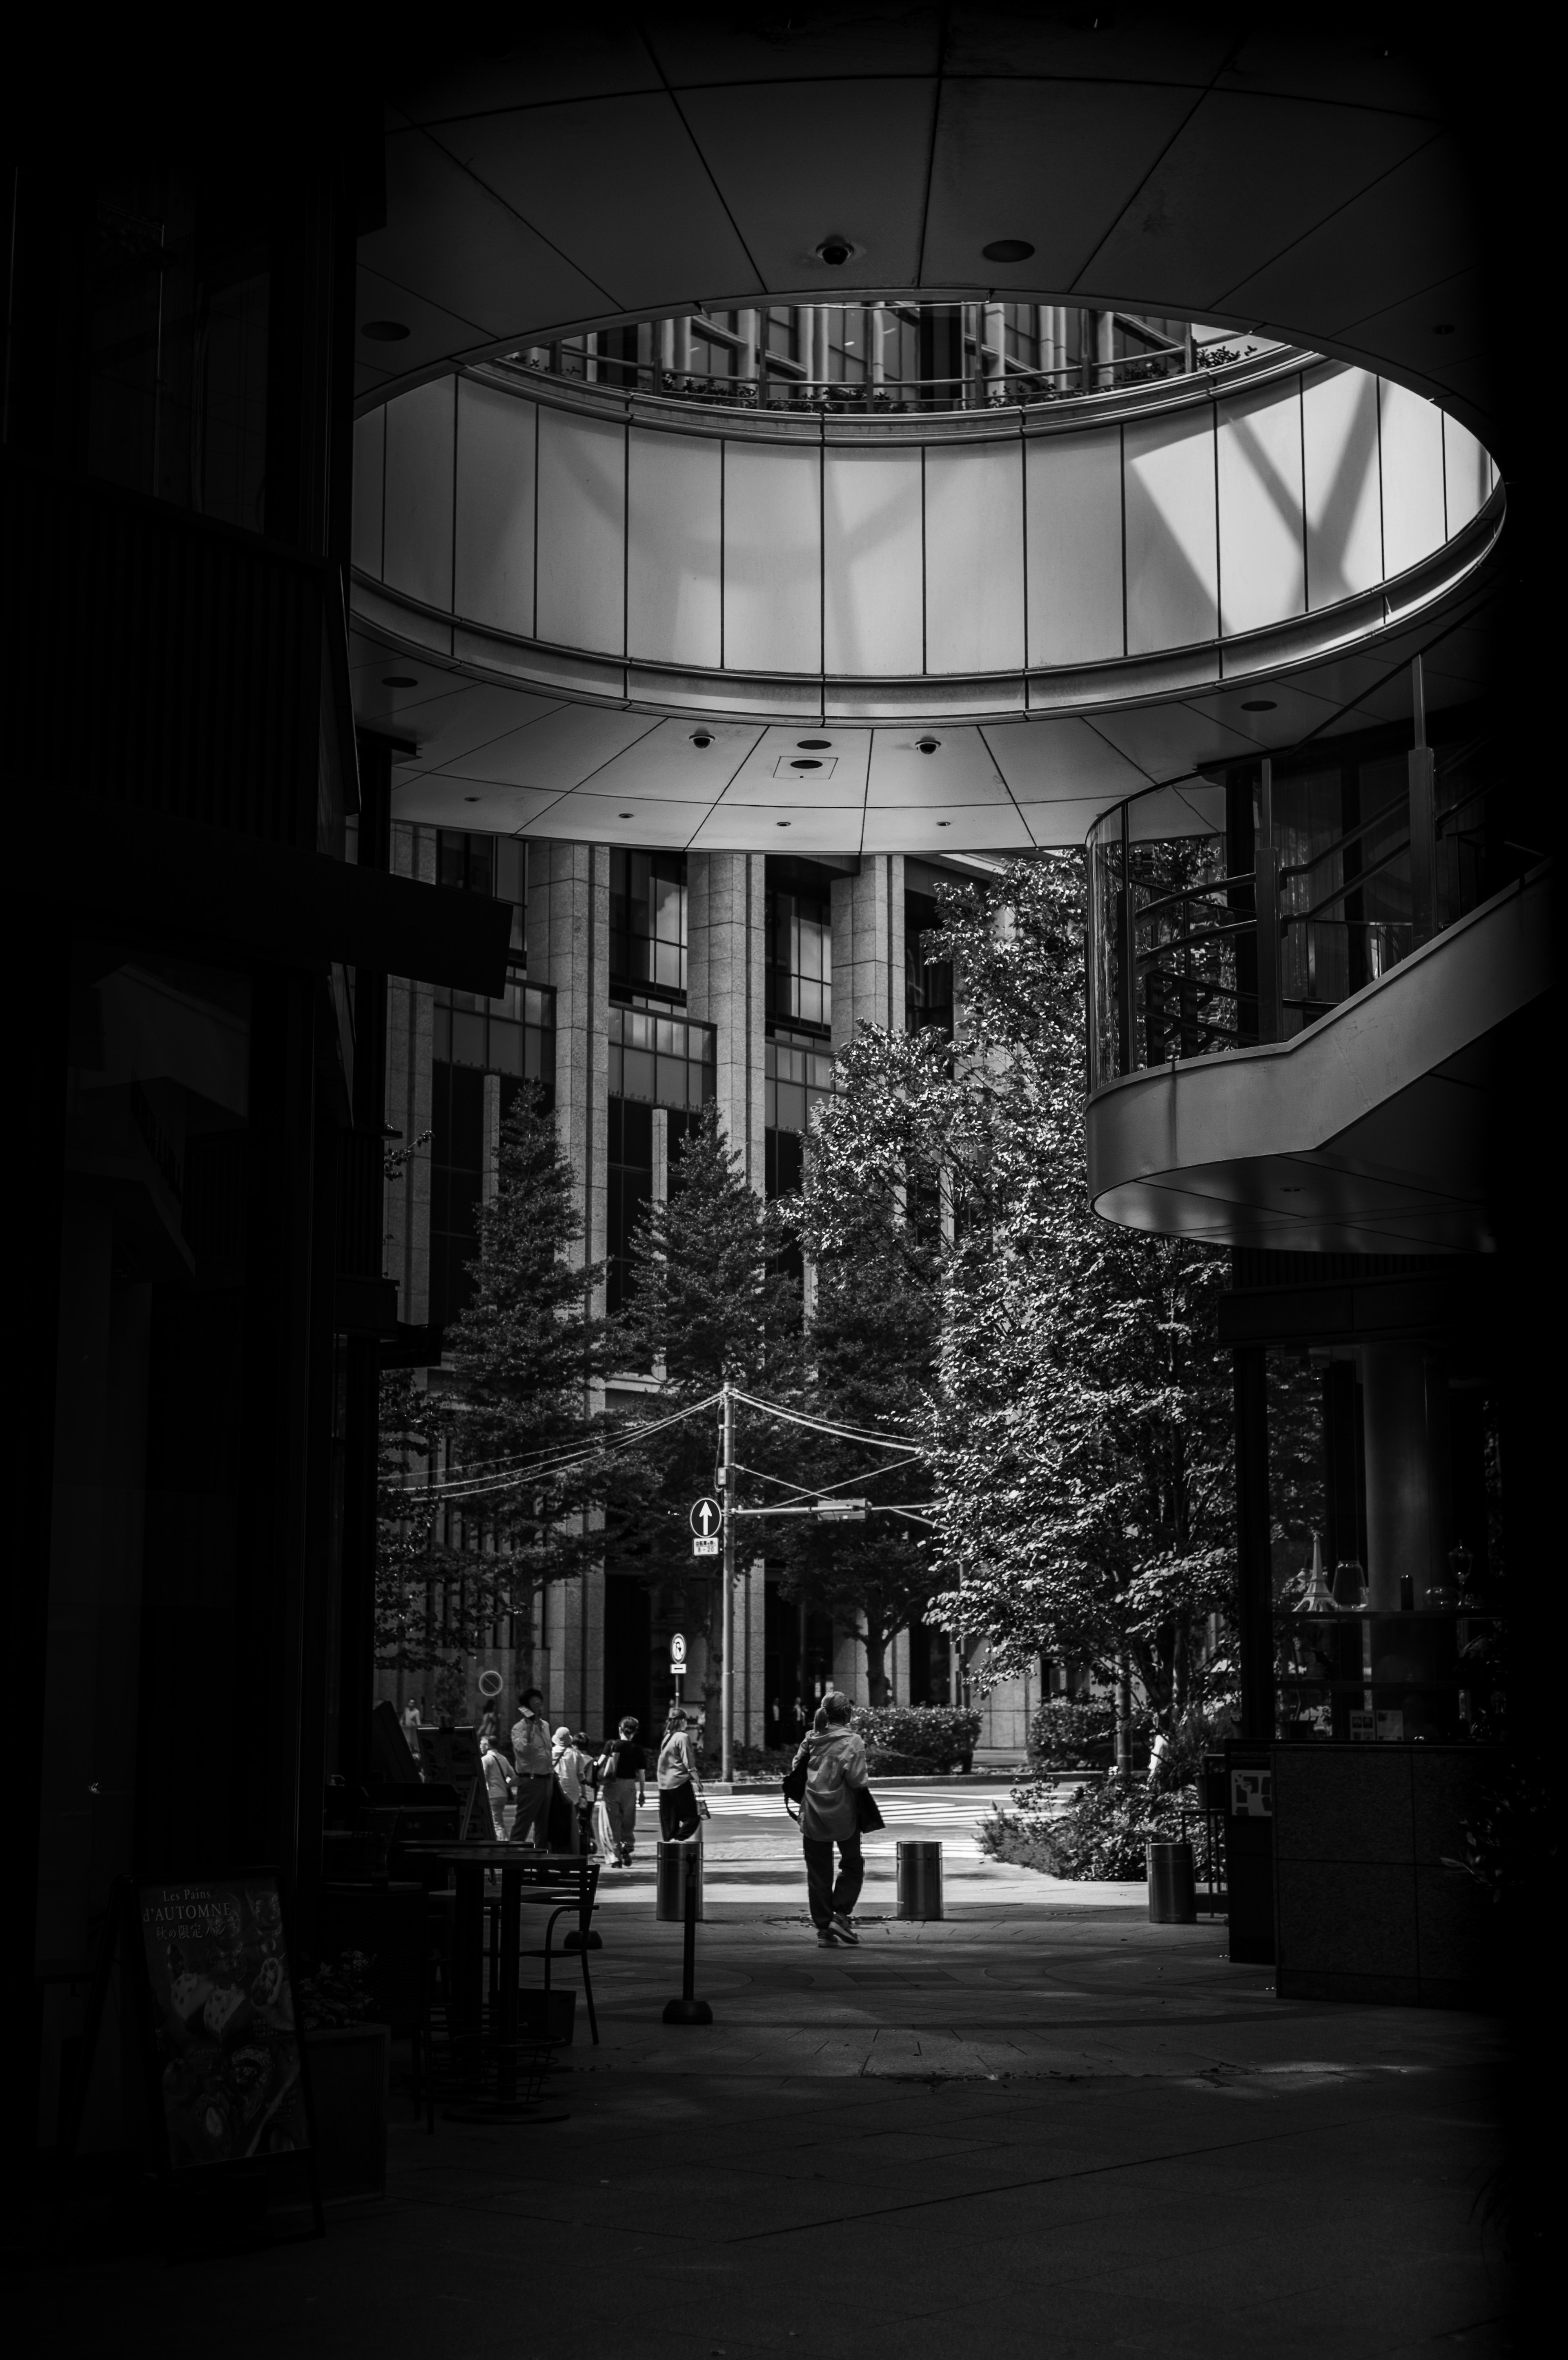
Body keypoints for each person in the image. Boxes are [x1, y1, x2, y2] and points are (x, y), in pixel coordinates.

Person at [791, 1690, 869, 1947]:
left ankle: (824, 1930)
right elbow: (858, 1781)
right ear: (847, 1713)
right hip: (845, 1815)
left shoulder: (811, 1739)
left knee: (818, 1874)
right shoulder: (853, 1741)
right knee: (853, 1864)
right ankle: (841, 1915)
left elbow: (796, 1769)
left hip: (813, 1814)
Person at [599, 1716, 648, 1865]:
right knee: (628, 1819)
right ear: (635, 1732)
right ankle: (627, 1844)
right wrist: (642, 1792)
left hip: (612, 1785)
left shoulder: (612, 1745)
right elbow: (641, 1773)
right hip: (629, 1787)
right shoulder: (638, 1749)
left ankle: (615, 1857)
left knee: (611, 1822)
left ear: (620, 1730)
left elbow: (600, 1762)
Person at [508, 1687, 554, 1846]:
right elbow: (524, 1752)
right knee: (523, 1824)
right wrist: (529, 1729)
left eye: (541, 1704)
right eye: (536, 1705)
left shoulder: (546, 1726)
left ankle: (541, 1866)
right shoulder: (518, 1729)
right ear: (526, 1709)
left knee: (544, 1827)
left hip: (548, 1781)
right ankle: (512, 1863)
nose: (540, 1709)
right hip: (530, 1782)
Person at [656, 1709, 703, 1842]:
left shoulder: (667, 1737)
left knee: (670, 1821)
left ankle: (670, 1847)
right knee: (692, 1817)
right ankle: (678, 1840)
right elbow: (689, 1762)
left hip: (664, 1784)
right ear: (683, 1721)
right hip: (679, 1782)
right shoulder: (682, 1737)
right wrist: (698, 1781)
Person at [552, 1725, 592, 1853]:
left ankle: (555, 1850)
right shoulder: (577, 1754)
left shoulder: (551, 1753)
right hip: (573, 1795)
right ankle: (572, 1850)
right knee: (573, 1822)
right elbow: (581, 1776)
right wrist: (584, 1795)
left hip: (556, 1793)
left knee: (556, 1821)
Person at [480, 1733, 516, 1838]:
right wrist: (506, 1785)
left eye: (482, 1744)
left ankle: (503, 1847)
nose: (480, 1746)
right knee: (499, 1822)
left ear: (488, 1745)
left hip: (493, 1795)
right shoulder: (503, 1758)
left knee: (497, 1825)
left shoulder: (486, 1759)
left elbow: (484, 1778)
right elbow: (514, 1777)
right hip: (503, 1795)